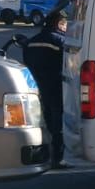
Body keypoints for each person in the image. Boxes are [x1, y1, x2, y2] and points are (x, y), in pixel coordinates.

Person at [22, 10, 67, 168]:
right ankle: (57, 158)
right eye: (64, 24)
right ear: (58, 23)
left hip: (36, 86)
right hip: (55, 86)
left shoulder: (32, 42)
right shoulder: (59, 41)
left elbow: (26, 62)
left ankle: (44, 155)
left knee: (42, 121)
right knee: (57, 124)